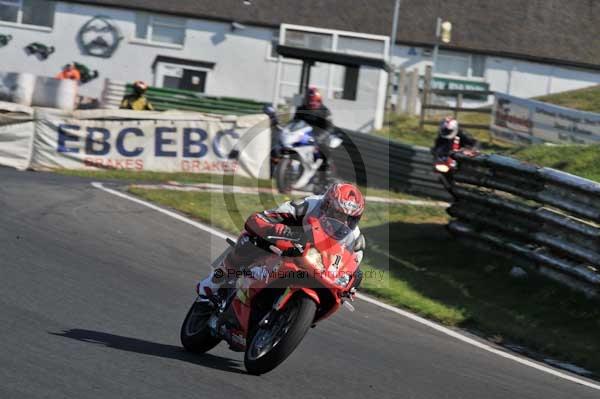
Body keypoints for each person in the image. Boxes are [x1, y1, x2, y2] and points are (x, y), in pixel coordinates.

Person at [197, 182, 367, 301]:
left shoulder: (356, 240)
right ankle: (214, 281)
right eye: (338, 214)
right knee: (250, 240)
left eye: (349, 218)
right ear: (326, 206)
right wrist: (274, 228)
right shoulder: (307, 205)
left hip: (316, 265)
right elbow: (258, 219)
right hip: (284, 242)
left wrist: (352, 284)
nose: (343, 222)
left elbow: (352, 268)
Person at [293, 87, 336, 183]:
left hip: (320, 137)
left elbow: (330, 127)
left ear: (319, 100)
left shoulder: (325, 111)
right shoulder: (301, 108)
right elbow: (294, 122)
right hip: (303, 136)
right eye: (309, 100)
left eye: (314, 101)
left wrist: (320, 137)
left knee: (324, 152)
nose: (311, 103)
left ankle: (326, 177)